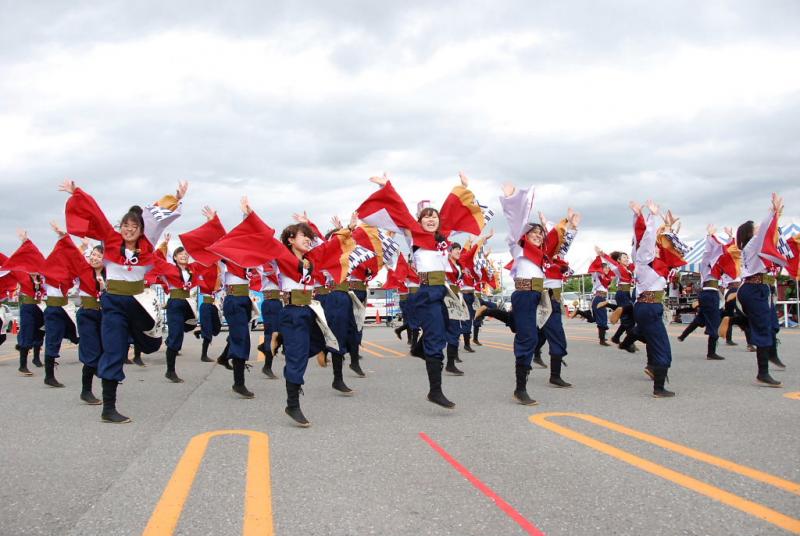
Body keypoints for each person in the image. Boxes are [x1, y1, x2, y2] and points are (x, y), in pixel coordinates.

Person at [357, 172, 490, 409]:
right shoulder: (414, 235)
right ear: (419, 221)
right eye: (426, 217)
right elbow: (400, 210)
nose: (431, 220)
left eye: (434, 217)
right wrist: (387, 185)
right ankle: (435, 390)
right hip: (428, 291)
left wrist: (463, 187)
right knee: (437, 338)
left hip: (444, 292)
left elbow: (451, 210)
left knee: (450, 328)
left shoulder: (443, 238)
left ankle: (420, 348)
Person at [61, 178, 187, 423]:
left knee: (151, 344)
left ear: (140, 229)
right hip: (114, 304)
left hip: (137, 303)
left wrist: (176, 198)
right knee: (115, 350)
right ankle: (109, 407)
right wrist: (77, 193)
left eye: (134, 225)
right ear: (120, 227)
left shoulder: (147, 249)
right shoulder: (109, 242)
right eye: (125, 225)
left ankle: (144, 352)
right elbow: (95, 213)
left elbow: (157, 221)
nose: (129, 229)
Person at [735, 193, 787, 387]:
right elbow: (766, 229)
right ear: (750, 233)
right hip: (753, 288)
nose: (758, 228)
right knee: (763, 327)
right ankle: (762, 372)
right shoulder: (753, 244)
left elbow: (771, 233)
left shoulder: (755, 244)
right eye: (754, 227)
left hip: (761, 287)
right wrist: (772, 212)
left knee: (772, 323)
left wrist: (776, 214)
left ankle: (771, 353)